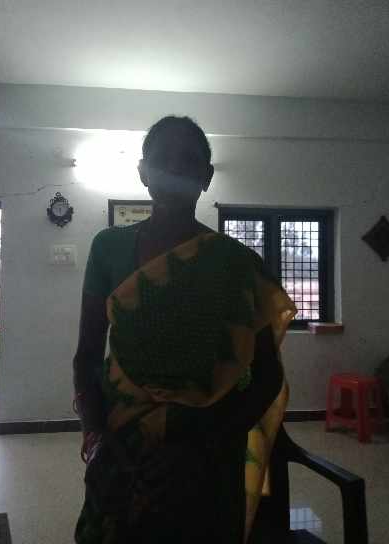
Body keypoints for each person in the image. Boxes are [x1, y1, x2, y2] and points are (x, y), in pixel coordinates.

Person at [72, 115, 296, 543]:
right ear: (143, 172)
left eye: (189, 160)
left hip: (207, 461)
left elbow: (267, 376)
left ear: (206, 177)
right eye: (162, 160)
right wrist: (96, 437)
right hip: (121, 451)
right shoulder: (108, 248)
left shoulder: (236, 264)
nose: (175, 170)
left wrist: (205, 446)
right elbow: (87, 356)